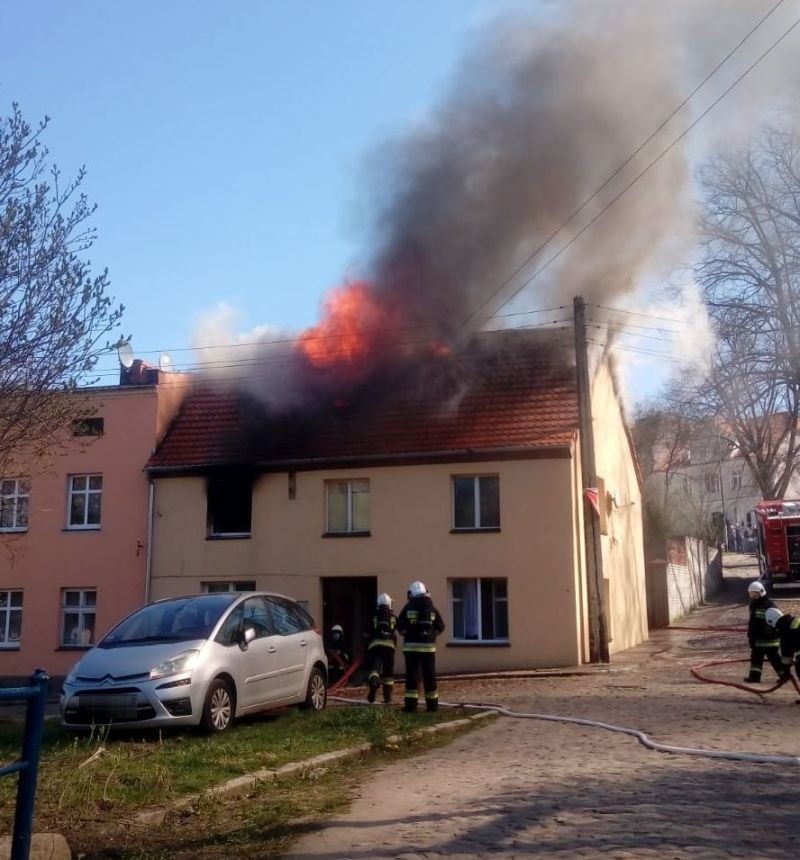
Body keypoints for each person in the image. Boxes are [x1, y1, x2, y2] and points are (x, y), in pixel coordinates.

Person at [396, 580, 445, 713]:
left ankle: (411, 707)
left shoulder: (408, 607)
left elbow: (399, 627)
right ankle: (432, 707)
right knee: (430, 676)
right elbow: (441, 627)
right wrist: (432, 636)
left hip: (411, 649)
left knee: (412, 677)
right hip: (428, 649)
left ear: (411, 593)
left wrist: (408, 633)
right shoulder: (432, 608)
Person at [743, 581, 783, 683]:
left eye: (755, 594)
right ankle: (755, 677)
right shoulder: (753, 605)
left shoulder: (769, 605)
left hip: (770, 639)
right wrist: (751, 637)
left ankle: (784, 675)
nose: (753, 596)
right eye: (751, 594)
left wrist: (771, 631)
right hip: (759, 639)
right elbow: (752, 623)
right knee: (756, 658)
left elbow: (777, 620)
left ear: (761, 592)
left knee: (774, 659)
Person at [364, 592, 397, 704]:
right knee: (388, 672)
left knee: (375, 669)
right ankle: (387, 697)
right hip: (390, 647)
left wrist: (367, 642)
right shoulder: (393, 617)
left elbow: (366, 633)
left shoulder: (373, 616)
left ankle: (373, 684)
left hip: (376, 646)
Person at [765, 607, 800, 695]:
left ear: (771, 622)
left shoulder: (785, 631)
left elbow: (787, 656)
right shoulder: (794, 620)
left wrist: (786, 671)